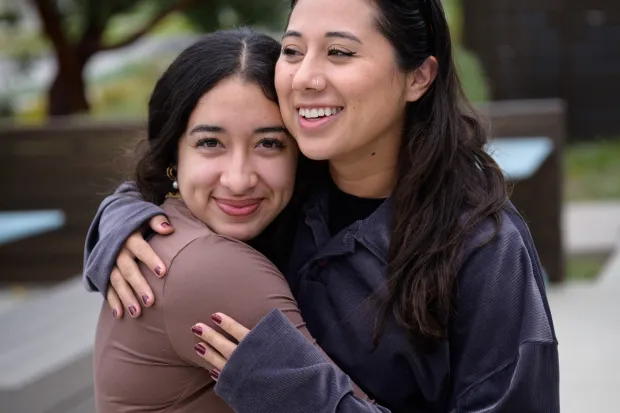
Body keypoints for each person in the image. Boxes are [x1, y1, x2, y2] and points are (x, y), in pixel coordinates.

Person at [84, 0, 560, 412]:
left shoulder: (483, 246)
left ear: (418, 76)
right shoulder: (280, 192)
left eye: (339, 52)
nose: (305, 77)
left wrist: (294, 387)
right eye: (292, 51)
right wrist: (123, 217)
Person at [92, 28, 367, 412]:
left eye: (269, 144)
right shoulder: (215, 270)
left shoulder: (180, 230)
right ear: (174, 152)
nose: (239, 180)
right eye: (210, 143)